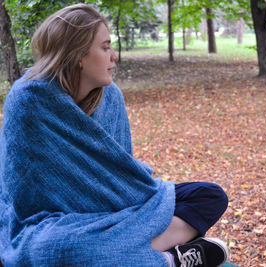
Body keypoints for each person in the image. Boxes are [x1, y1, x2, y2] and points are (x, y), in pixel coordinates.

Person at [0, 4, 229, 267]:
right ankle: (168, 260)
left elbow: (120, 177)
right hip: (58, 222)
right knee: (54, 248)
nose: (114, 56)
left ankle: (122, 252)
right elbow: (21, 200)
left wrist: (123, 220)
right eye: (106, 47)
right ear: (78, 55)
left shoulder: (111, 98)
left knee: (210, 196)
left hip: (119, 214)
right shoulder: (28, 100)